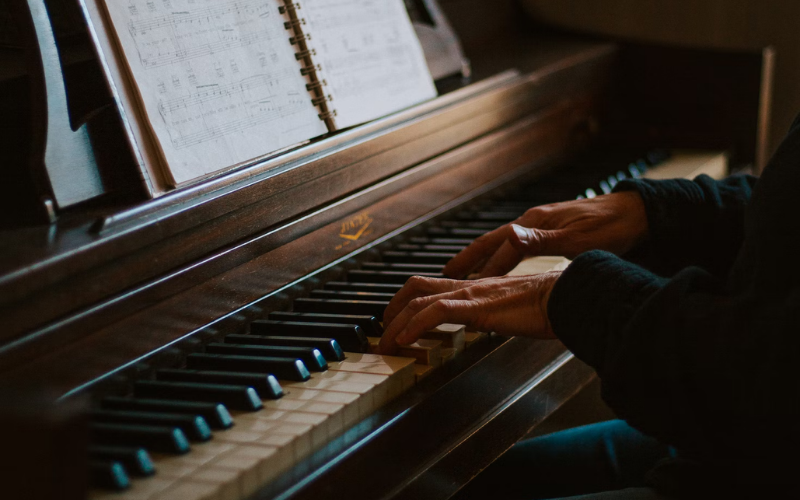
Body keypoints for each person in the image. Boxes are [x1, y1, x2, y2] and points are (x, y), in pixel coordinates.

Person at [376, 114, 800, 498]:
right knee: (452, 484)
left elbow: (767, 380)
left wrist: (571, 297)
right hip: (736, 445)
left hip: (762, 453)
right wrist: (654, 212)